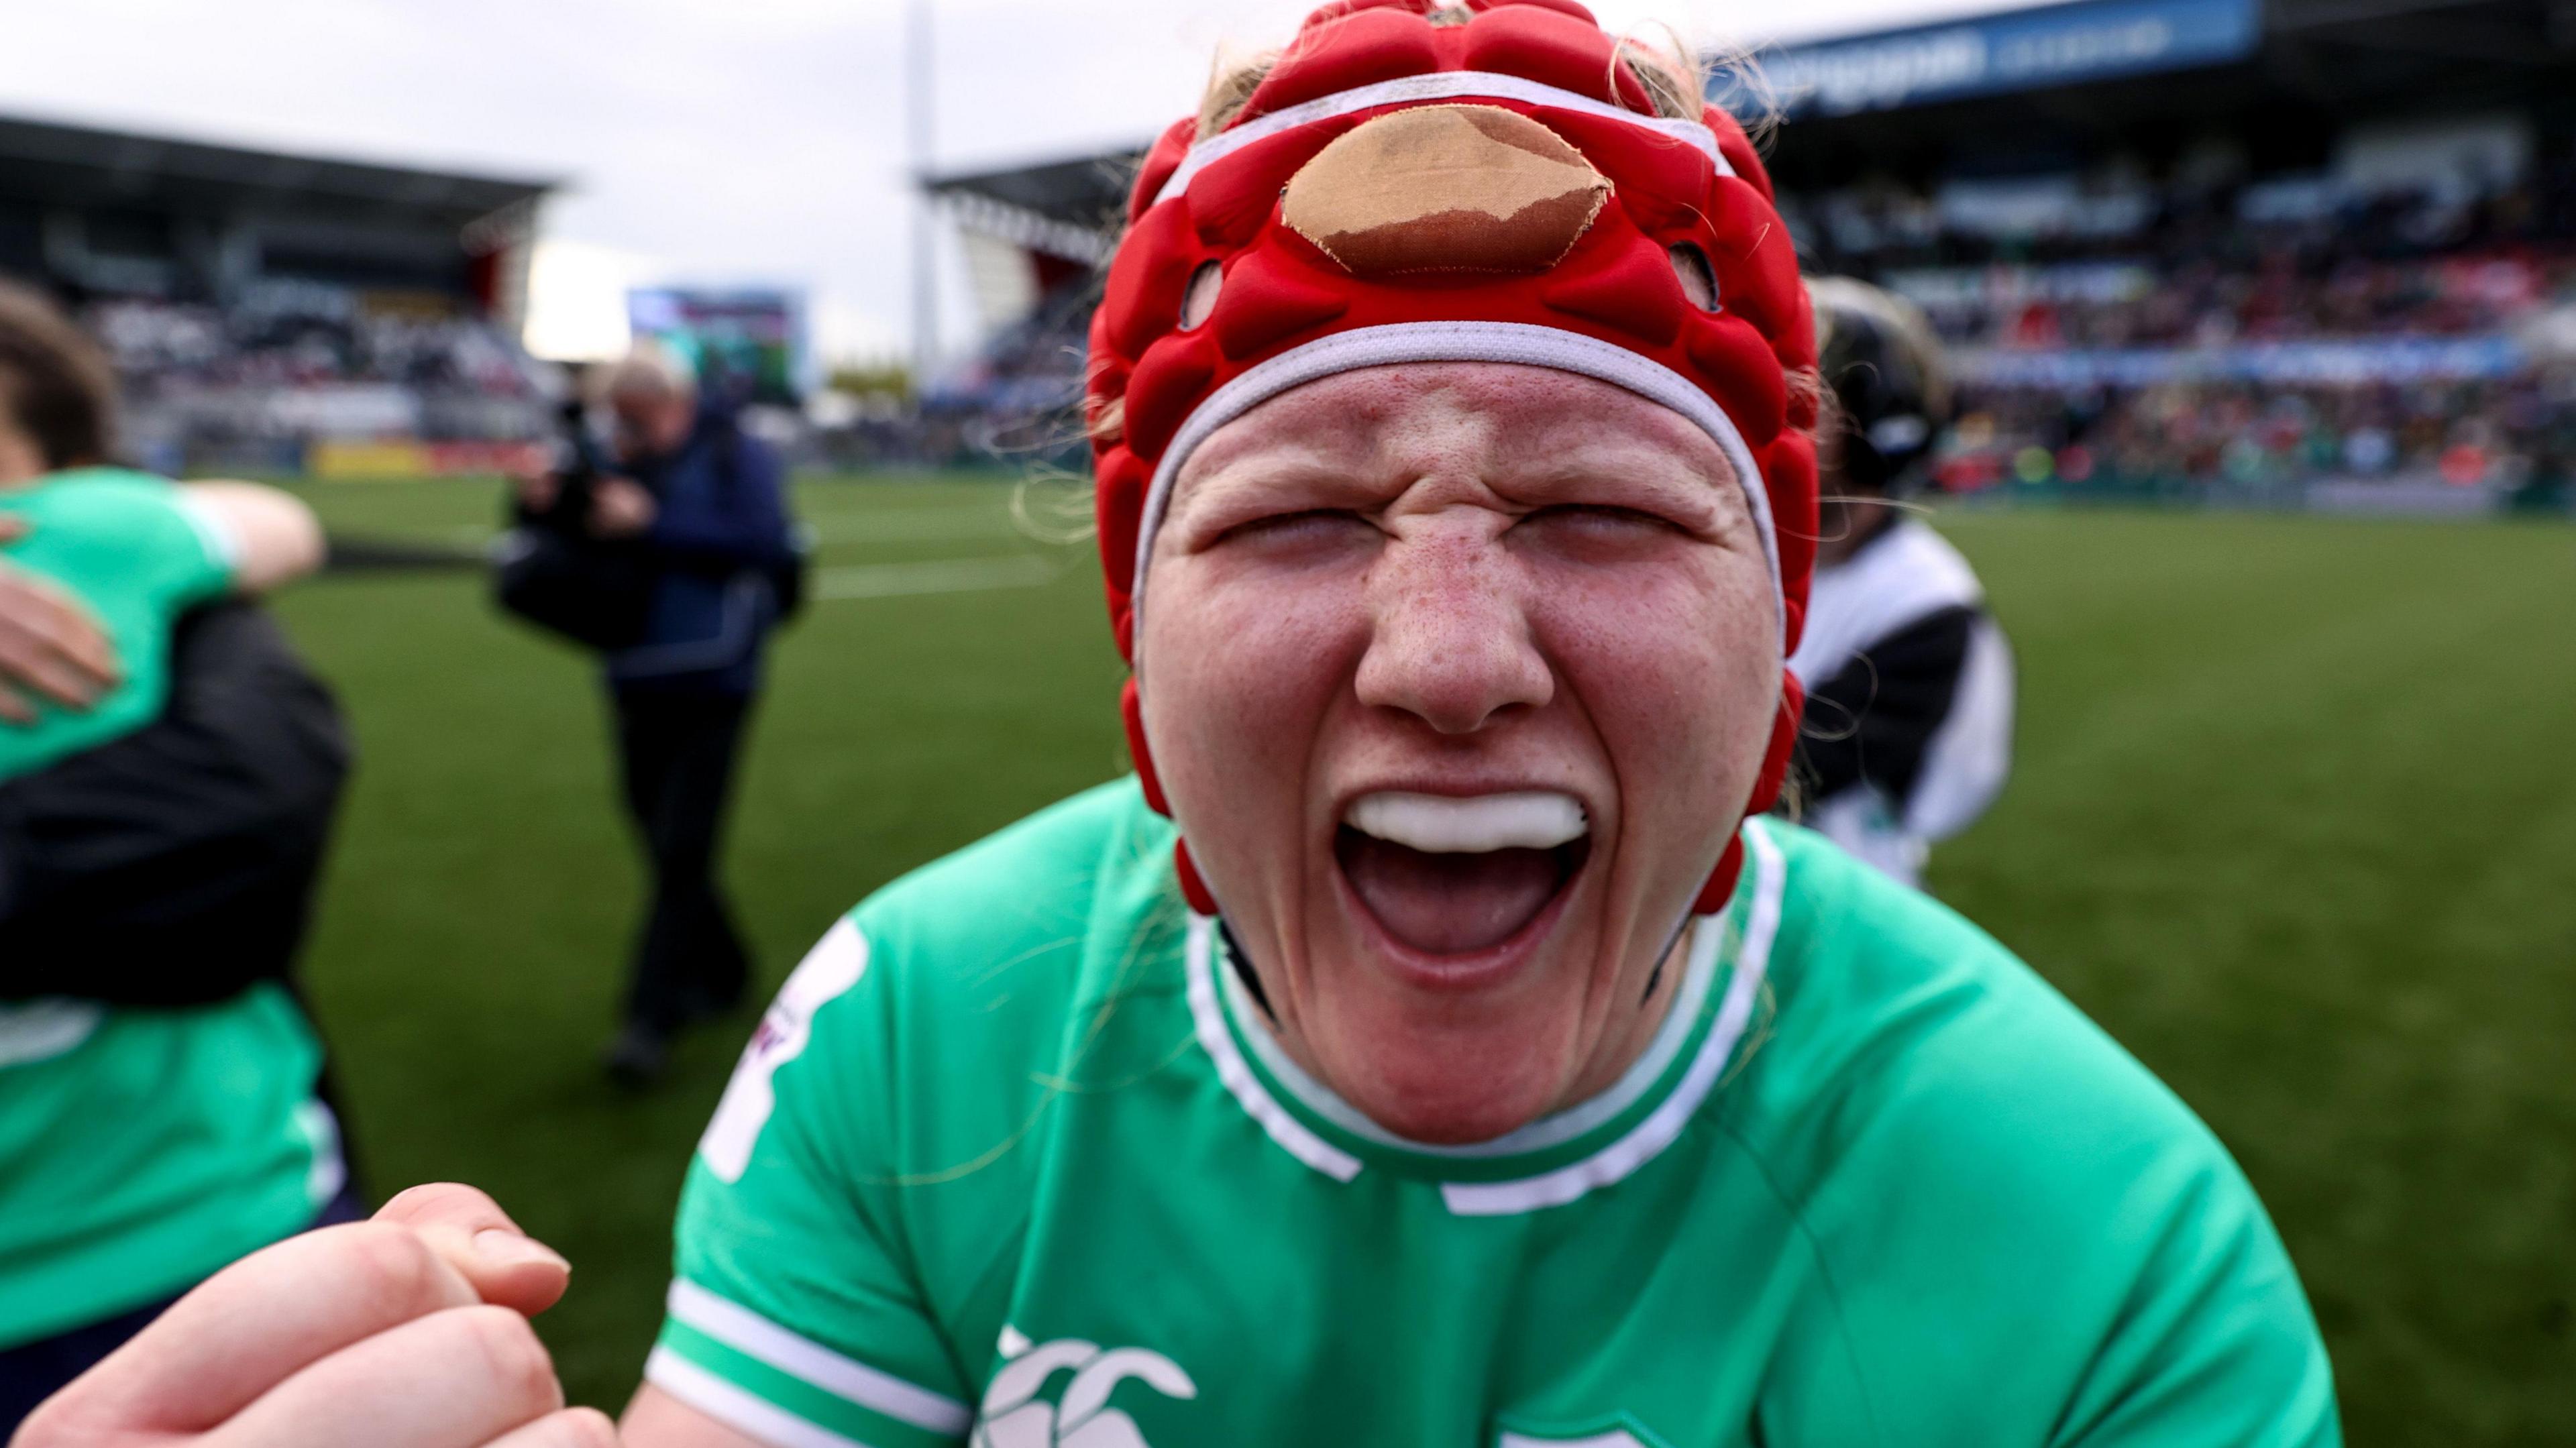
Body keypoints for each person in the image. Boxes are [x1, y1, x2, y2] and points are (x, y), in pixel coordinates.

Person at [17, 5, 2341, 1445]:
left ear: (1781, 625)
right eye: (1306, 513)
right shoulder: (920, 1023)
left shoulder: (2104, 1252)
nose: (1448, 656)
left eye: (1608, 507)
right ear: (1143, 633)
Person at [0, 282, 352, 1429]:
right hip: (217, 1207)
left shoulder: (87, 537)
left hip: (203, 1221)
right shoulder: (112, 531)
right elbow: (279, 522)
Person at [513, 347, 798, 1086]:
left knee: (680, 848)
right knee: (659, 836)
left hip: (718, 675)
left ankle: (649, 1019)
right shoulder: (613, 454)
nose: (629, 427)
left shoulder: (738, 453)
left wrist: (654, 521)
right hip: (635, 670)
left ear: (671, 400)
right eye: (621, 414)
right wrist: (541, 502)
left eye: (639, 413)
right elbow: (574, 538)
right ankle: (729, 968)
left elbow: (764, 543)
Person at [1786, 276, 2015, 889]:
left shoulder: (1924, 602)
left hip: (1823, 910)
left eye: (1802, 401)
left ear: (1872, 423)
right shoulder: (1743, 552)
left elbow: (1795, 774)